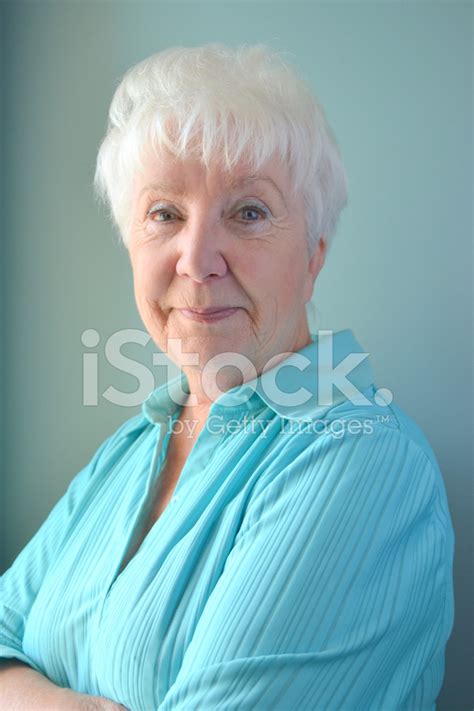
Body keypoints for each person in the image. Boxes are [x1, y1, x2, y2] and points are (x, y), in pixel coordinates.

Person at [0, 43, 455, 711]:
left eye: (248, 212)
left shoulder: (362, 459)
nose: (197, 258)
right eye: (165, 214)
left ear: (313, 257)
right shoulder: (133, 448)